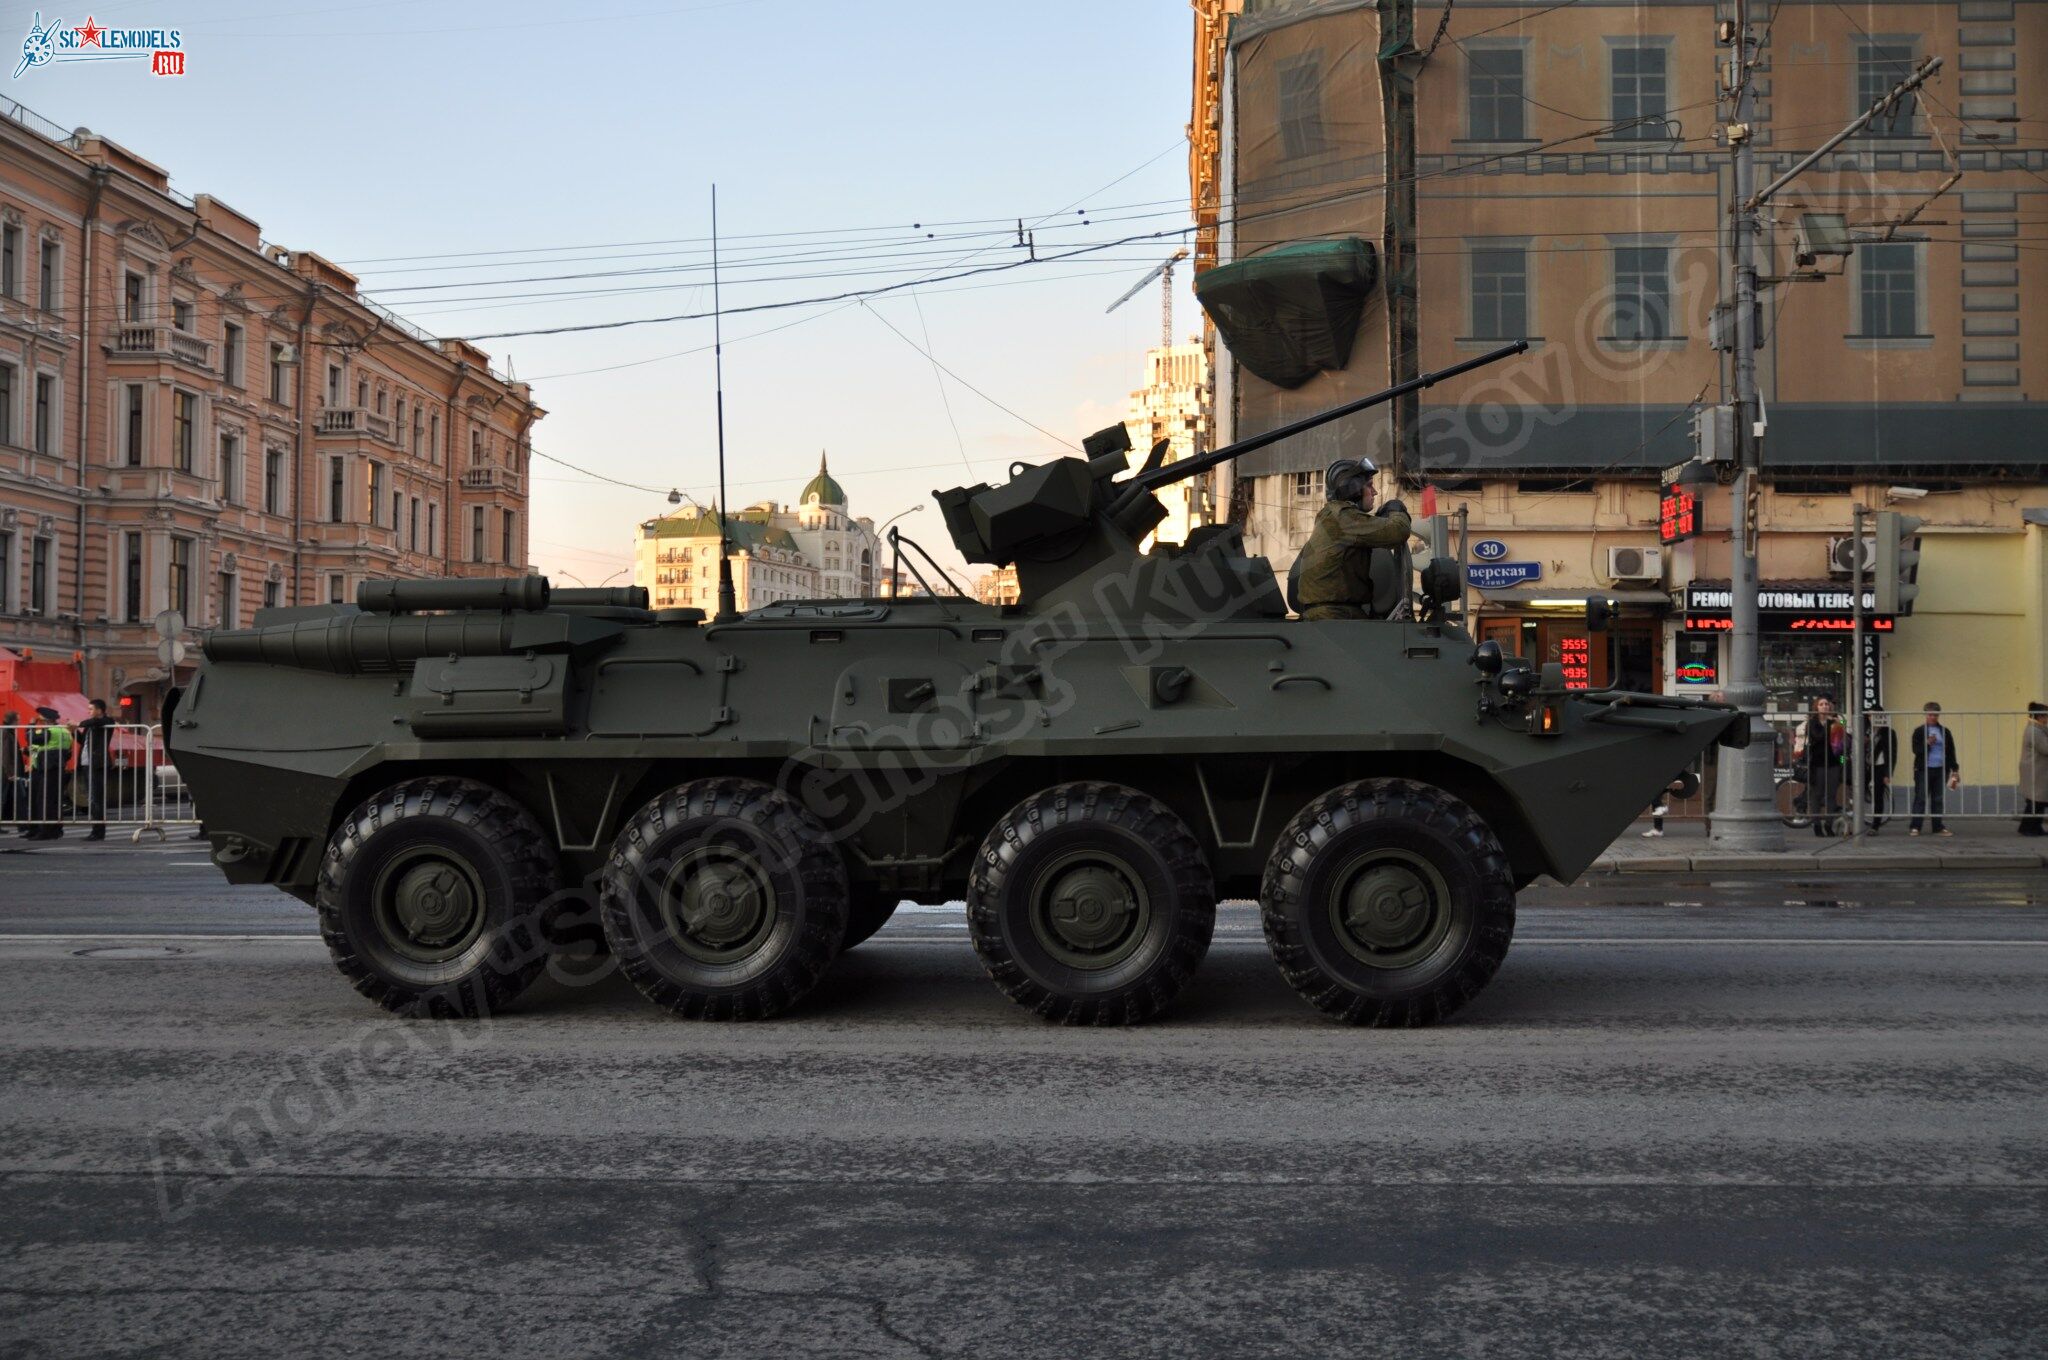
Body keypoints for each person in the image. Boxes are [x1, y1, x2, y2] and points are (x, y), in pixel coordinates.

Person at [1293, 457, 1413, 621]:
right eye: (1370, 485)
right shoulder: (1343, 518)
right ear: (1353, 489)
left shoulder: (1333, 516)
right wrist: (1397, 509)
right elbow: (1398, 531)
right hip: (1335, 619)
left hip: (1333, 616)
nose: (1375, 492)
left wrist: (1380, 519)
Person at [1908, 701, 1961, 837]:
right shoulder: (1919, 731)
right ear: (1926, 715)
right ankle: (1915, 826)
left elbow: (1951, 751)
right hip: (1923, 769)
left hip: (1941, 769)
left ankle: (1937, 827)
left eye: (1935, 714)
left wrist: (1955, 769)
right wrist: (1927, 743)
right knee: (1921, 797)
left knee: (1938, 798)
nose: (1933, 717)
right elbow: (1916, 750)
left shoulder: (1944, 731)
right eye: (1930, 714)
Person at [24, 707, 74, 840]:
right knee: (55, 801)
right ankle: (56, 830)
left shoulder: (50, 731)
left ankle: (45, 831)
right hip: (58, 767)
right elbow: (69, 752)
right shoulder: (64, 731)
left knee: (44, 801)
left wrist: (30, 726)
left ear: (46, 720)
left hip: (48, 768)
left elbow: (32, 738)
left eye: (40, 719)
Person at [1800, 696, 1846, 837]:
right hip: (1817, 764)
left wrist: (1843, 763)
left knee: (1832, 796)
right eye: (1821, 704)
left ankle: (1829, 824)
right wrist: (1828, 724)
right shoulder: (1812, 723)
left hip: (1834, 764)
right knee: (1816, 795)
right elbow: (1818, 737)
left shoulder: (1837, 720)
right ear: (1817, 707)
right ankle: (1817, 825)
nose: (1825, 706)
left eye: (1827, 704)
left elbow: (1843, 742)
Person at [76, 698, 115, 842]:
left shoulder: (106, 721)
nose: (89, 711)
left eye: (91, 709)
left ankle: (98, 831)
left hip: (97, 764)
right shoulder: (90, 724)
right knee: (91, 798)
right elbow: (82, 740)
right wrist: (74, 731)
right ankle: (95, 830)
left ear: (99, 710)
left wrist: (78, 723)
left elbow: (97, 722)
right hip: (86, 763)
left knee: (96, 799)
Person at [1861, 711, 1898, 833]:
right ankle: (1857, 818)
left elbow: (1892, 754)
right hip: (1865, 766)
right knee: (1859, 791)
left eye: (1876, 716)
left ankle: (1875, 825)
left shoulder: (1888, 732)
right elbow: (1845, 728)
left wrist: (1888, 773)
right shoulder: (1866, 730)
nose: (1873, 718)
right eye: (1870, 715)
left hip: (1880, 766)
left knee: (1878, 795)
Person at [2019, 702, 2048, 837]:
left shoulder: (2037, 729)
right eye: (2046, 715)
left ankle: (2030, 827)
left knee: (2036, 801)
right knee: (2036, 801)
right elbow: (2045, 748)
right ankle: (2030, 828)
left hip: (2037, 770)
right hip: (2036, 770)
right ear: (2040, 716)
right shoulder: (2035, 731)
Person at [0, 708, 21, 834]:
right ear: (13, 721)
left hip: (4, 768)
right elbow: (6, 754)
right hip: (4, 770)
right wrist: (9, 772)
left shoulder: (6, 731)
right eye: (18, 720)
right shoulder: (7, 733)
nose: (19, 722)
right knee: (1, 796)